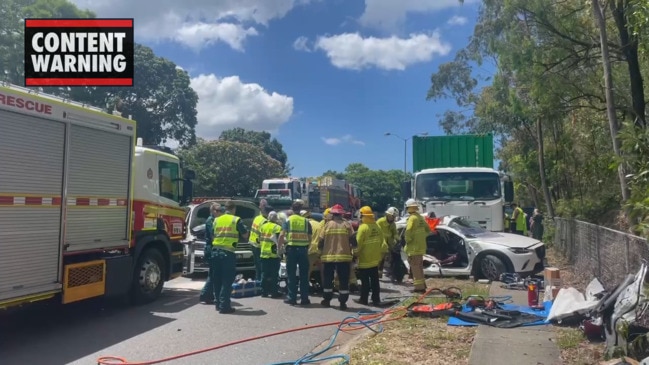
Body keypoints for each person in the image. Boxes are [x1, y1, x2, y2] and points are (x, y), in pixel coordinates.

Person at [211, 201, 249, 314]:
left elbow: (213, 234)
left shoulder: (217, 219)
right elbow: (245, 234)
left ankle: (218, 304)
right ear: (234, 209)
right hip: (227, 253)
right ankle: (224, 306)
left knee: (217, 280)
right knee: (227, 281)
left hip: (215, 252)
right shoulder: (235, 219)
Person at [319, 204, 355, 310]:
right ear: (341, 214)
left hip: (328, 257)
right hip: (343, 257)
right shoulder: (347, 225)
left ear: (333, 214)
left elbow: (321, 241)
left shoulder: (327, 225)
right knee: (344, 280)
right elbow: (353, 240)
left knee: (327, 280)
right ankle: (343, 303)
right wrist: (356, 254)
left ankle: (327, 300)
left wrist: (319, 253)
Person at [280, 200, 313, 306]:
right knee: (304, 275)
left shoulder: (288, 220)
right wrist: (307, 246)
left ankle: (292, 298)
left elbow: (281, 235)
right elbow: (310, 237)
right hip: (303, 250)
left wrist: (279, 247)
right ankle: (304, 299)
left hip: (291, 250)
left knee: (291, 275)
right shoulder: (305, 221)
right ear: (301, 210)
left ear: (292, 209)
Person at [354, 206, 388, 306]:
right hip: (375, 259)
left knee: (365, 281)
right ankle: (376, 299)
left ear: (363, 216)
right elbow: (382, 242)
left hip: (364, 259)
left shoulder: (363, 228)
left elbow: (358, 243)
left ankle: (363, 299)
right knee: (375, 280)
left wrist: (354, 254)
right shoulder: (377, 227)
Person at [404, 198, 430, 293]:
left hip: (414, 248)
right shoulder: (420, 218)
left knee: (415, 269)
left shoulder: (412, 218)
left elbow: (408, 231)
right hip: (421, 247)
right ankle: (422, 285)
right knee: (419, 268)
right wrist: (421, 237)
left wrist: (408, 240)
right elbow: (428, 230)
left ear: (409, 208)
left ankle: (419, 288)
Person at [199, 203, 221, 304]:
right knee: (213, 273)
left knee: (213, 273)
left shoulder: (214, 220)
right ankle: (205, 294)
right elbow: (213, 236)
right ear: (212, 210)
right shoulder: (210, 220)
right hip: (211, 249)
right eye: (217, 210)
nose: (219, 212)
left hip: (212, 249)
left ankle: (208, 295)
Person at [259, 211, 283, 298]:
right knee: (274, 274)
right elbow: (280, 241)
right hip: (273, 255)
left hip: (263, 253)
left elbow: (259, 239)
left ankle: (264, 292)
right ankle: (274, 292)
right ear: (276, 218)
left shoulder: (262, 226)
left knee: (264, 274)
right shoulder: (277, 228)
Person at [377, 207, 401, 282]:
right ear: (387, 215)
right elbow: (376, 231)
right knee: (379, 259)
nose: (393, 218)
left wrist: (399, 239)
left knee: (390, 259)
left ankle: (389, 274)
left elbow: (395, 233)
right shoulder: (380, 222)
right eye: (392, 216)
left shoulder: (393, 224)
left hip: (389, 244)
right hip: (380, 244)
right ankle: (377, 273)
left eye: (394, 217)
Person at [249, 202, 271, 281]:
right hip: (258, 246)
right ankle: (262, 284)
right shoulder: (264, 221)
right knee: (262, 267)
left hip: (253, 243)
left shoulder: (257, 217)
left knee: (257, 266)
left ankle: (258, 281)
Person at [303, 209, 323, 290]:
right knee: (322, 270)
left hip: (311, 249)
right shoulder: (318, 224)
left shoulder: (306, 224)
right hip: (320, 249)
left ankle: (305, 287)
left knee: (307, 270)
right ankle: (325, 287)